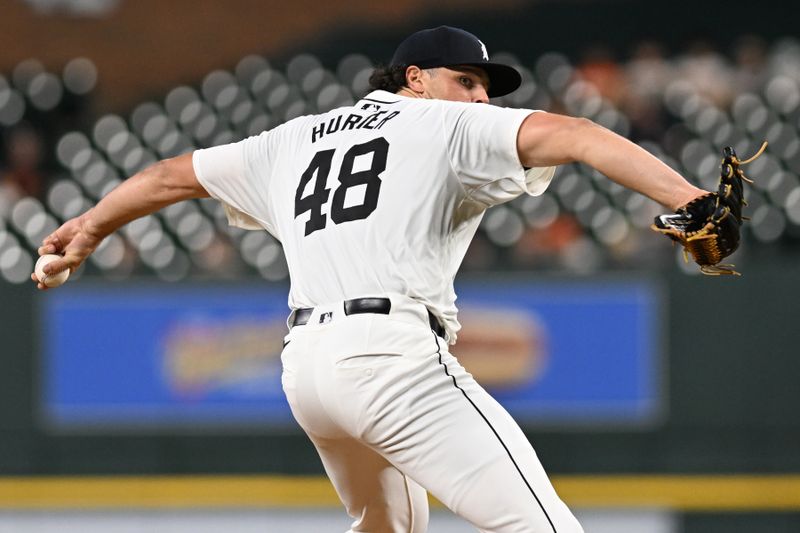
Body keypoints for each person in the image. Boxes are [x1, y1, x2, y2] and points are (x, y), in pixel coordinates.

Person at [34, 26, 706, 533]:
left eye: (484, 89)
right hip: (389, 357)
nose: (477, 97)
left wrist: (88, 229)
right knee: (545, 526)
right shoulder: (444, 126)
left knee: (391, 528)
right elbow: (582, 133)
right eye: (465, 80)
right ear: (415, 77)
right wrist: (689, 197)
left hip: (307, 370)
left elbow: (167, 176)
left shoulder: (292, 138)